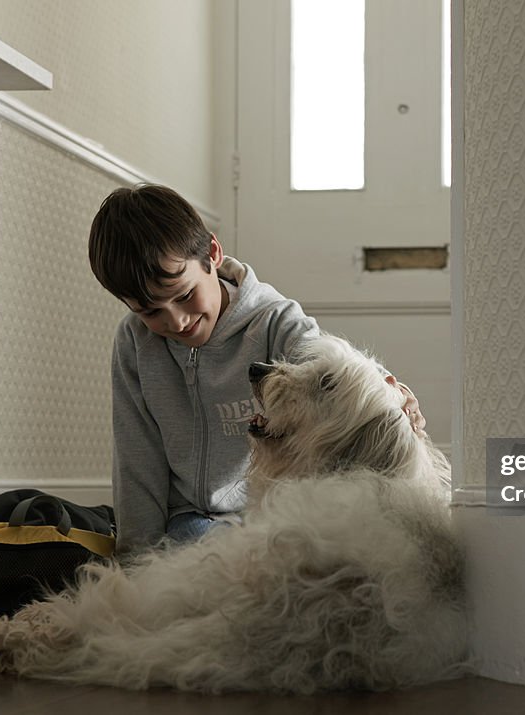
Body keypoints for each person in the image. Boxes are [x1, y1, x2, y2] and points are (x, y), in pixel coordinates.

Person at [88, 184, 424, 553]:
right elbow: (137, 460)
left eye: (184, 295)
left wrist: (397, 396)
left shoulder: (277, 322)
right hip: (187, 519)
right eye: (151, 311)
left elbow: (335, 378)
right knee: (191, 563)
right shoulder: (134, 343)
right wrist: (137, 563)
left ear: (213, 254)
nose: (178, 321)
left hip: (272, 515)